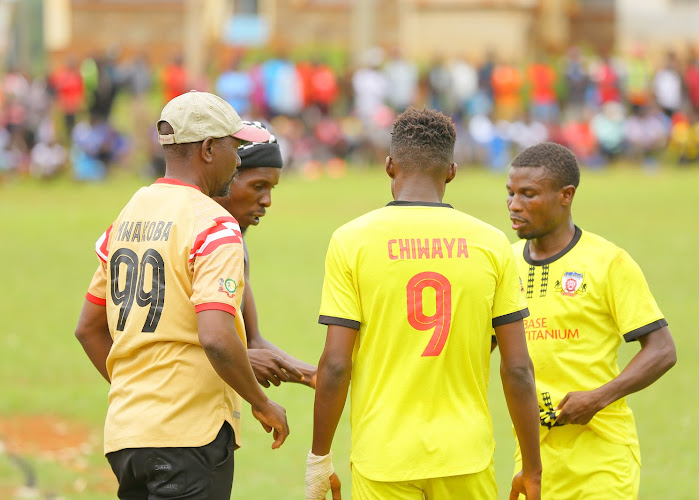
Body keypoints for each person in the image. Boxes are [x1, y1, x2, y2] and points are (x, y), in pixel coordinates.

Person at [306, 107, 542, 500]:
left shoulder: (351, 240)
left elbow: (335, 364)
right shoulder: (492, 243)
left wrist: (318, 458)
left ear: (388, 166)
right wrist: (532, 470)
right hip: (465, 455)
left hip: (383, 456)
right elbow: (517, 368)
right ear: (451, 170)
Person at [73, 91, 289, 499]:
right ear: (209, 149)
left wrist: (139, 396)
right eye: (235, 147)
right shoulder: (214, 224)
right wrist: (262, 404)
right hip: (190, 437)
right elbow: (217, 336)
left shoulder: (129, 213)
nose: (239, 159)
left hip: (127, 435)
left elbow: (88, 328)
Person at [504, 142, 677, 499]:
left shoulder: (608, 262)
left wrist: (598, 398)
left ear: (565, 195)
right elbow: (480, 346)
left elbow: (662, 350)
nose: (514, 204)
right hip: (535, 455)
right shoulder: (504, 265)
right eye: (510, 193)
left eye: (528, 194)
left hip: (603, 454)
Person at [213, 120, 317, 388]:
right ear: (227, 176)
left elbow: (252, 340)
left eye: (272, 189)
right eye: (258, 186)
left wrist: (315, 377)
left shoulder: (236, 243)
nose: (267, 200)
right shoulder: (199, 236)